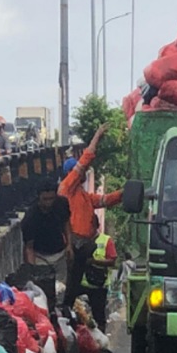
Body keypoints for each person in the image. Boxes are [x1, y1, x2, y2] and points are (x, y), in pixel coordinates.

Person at [59, 123, 123, 309]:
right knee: (70, 288)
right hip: (74, 246)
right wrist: (97, 137)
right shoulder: (67, 188)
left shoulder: (82, 196)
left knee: (74, 288)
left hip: (83, 248)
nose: (85, 172)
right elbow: (85, 161)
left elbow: (105, 200)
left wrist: (126, 192)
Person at [20, 178, 72, 286]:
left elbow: (66, 223)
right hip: (40, 256)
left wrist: (69, 245)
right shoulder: (31, 217)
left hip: (60, 253)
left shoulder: (62, 204)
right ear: (39, 197)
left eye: (51, 198)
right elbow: (29, 247)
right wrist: (32, 270)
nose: (49, 202)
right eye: (45, 199)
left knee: (61, 288)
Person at [77, 215, 118, 333]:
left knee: (99, 316)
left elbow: (112, 260)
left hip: (99, 286)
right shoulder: (79, 240)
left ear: (96, 226)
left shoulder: (106, 240)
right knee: (79, 314)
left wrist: (94, 261)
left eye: (90, 226)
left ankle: (100, 343)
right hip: (81, 284)